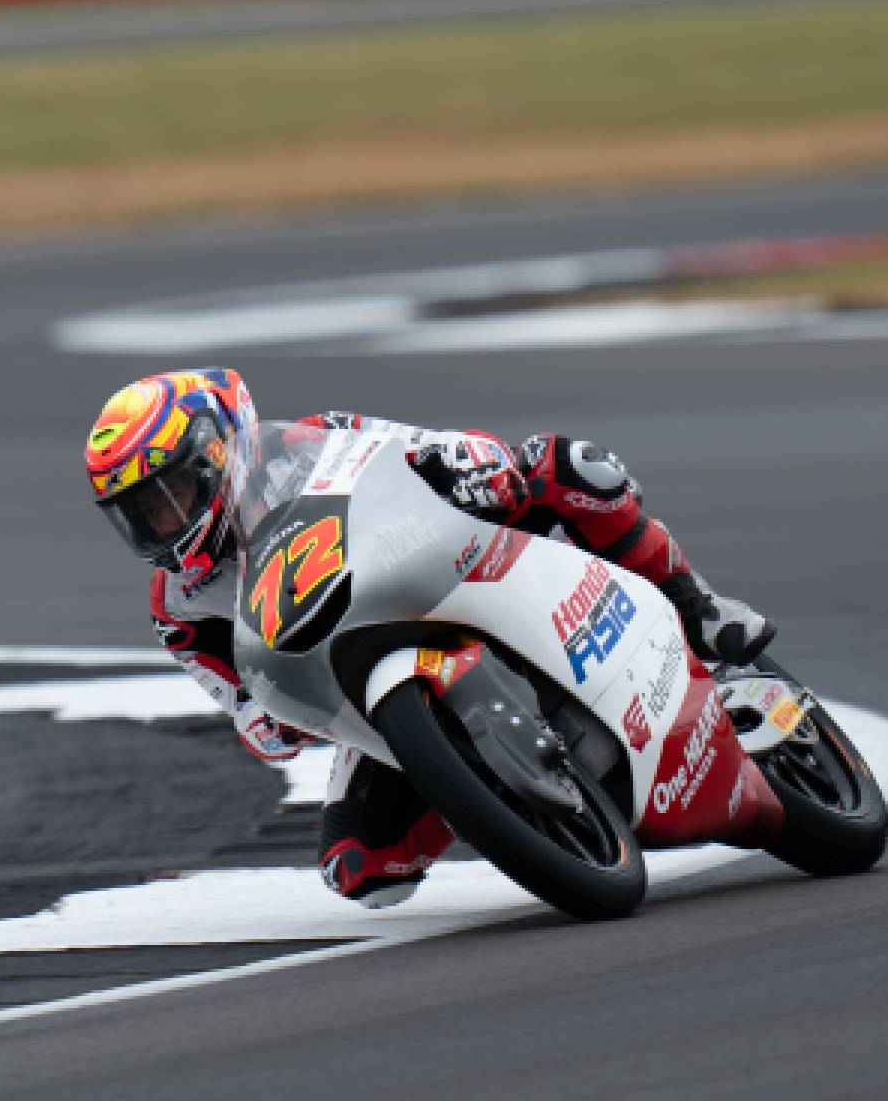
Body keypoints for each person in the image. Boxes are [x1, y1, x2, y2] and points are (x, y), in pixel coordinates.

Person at [85, 367, 774, 908]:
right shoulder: (178, 606)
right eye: (138, 512)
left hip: (434, 567)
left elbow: (421, 449)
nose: (159, 522)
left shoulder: (306, 442)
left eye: (171, 494)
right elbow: (240, 706)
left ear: (218, 452)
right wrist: (268, 720)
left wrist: (466, 462)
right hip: (360, 684)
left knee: (566, 464)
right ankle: (490, 787)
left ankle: (698, 605)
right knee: (359, 870)